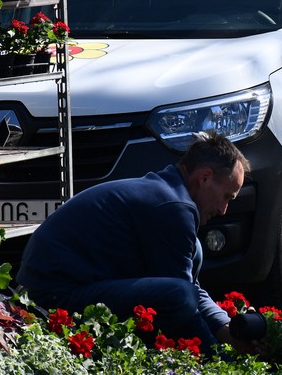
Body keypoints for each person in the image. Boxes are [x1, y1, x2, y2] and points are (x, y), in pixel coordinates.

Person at [17, 131, 257, 352]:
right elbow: (183, 303)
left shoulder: (168, 194)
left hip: (64, 289)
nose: (225, 210)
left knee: (194, 253)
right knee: (179, 295)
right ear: (205, 178)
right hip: (51, 299)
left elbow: (191, 288)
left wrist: (226, 327)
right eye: (227, 196)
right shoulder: (175, 208)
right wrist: (219, 358)